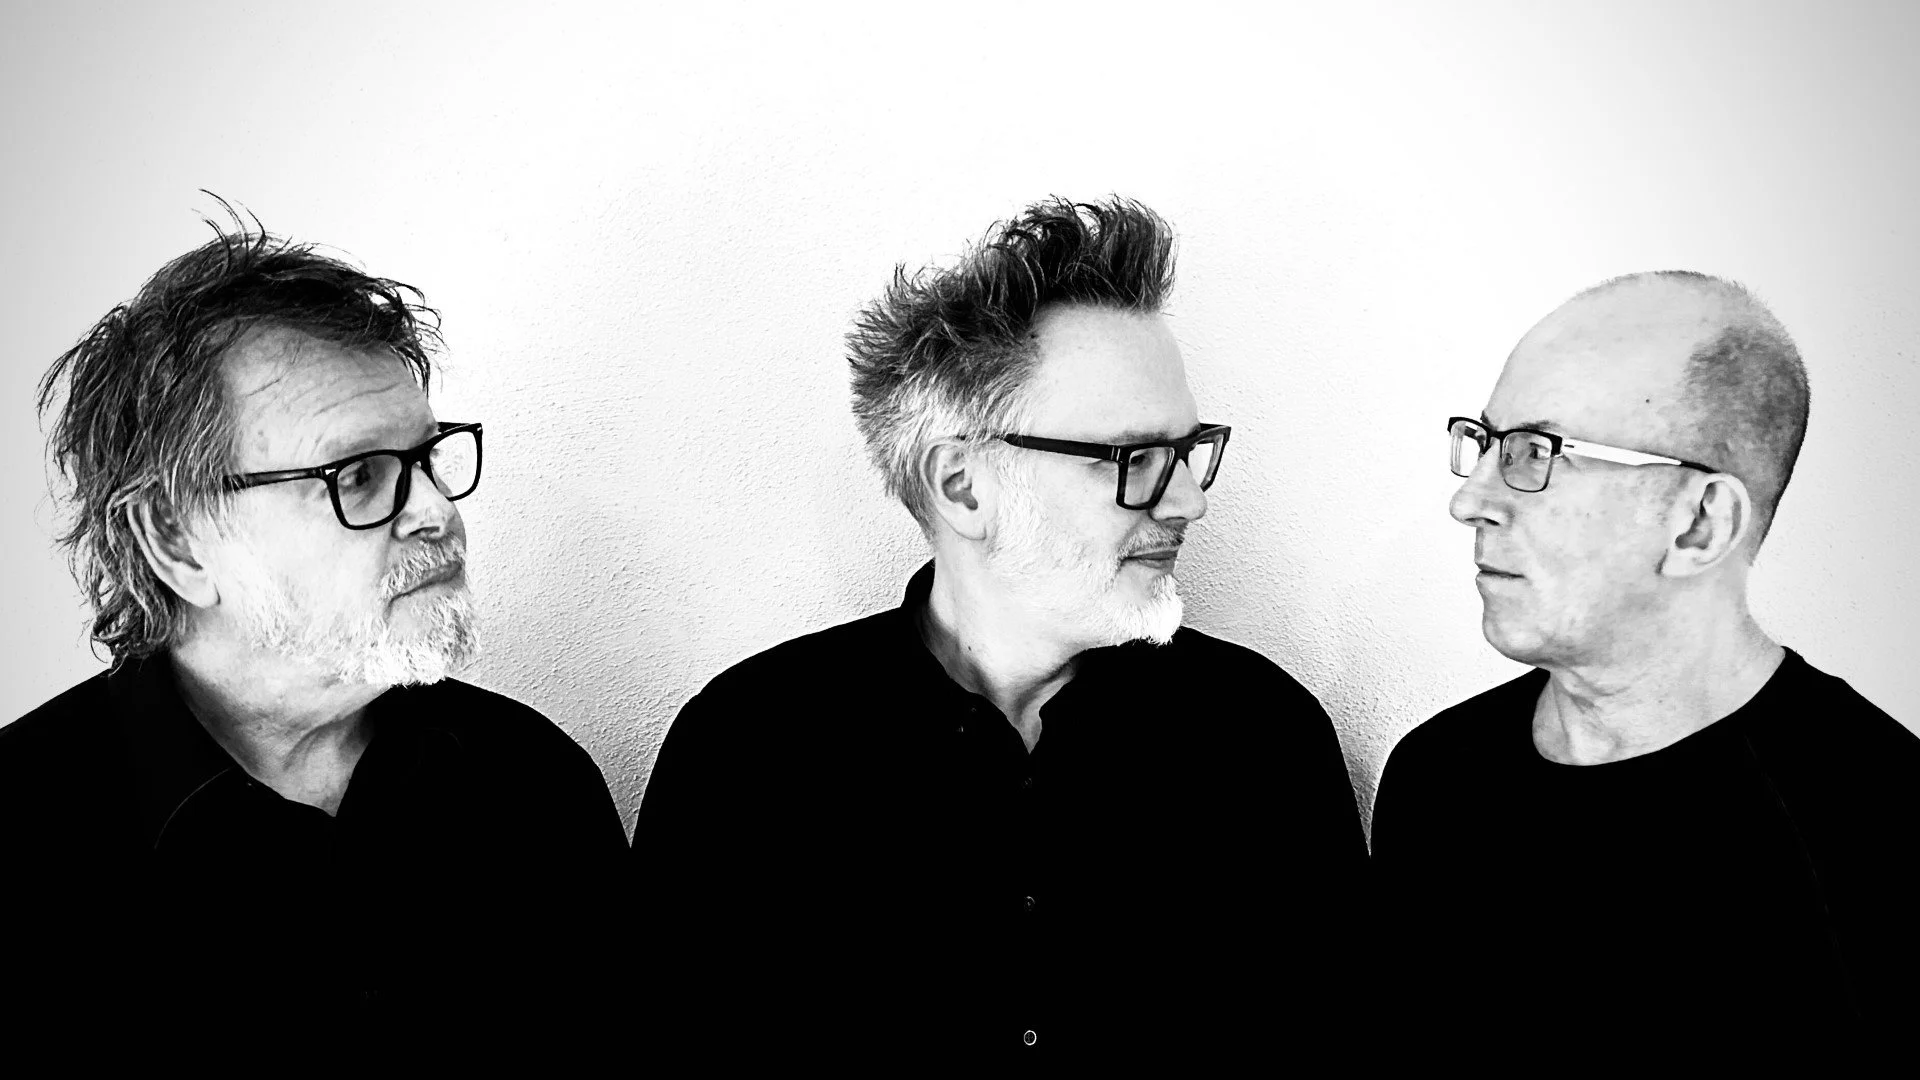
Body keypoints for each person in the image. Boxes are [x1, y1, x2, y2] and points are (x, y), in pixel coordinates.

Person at [633, 196, 1369, 1065]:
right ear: (963, 487)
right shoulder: (746, 752)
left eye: (1187, 450)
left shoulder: (1264, 739)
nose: (1188, 502)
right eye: (1134, 459)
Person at [1, 217, 628, 1044]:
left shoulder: (530, 784)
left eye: (429, 458)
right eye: (358, 475)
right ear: (175, 540)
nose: (437, 512)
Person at [1372, 271, 1919, 1062]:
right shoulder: (1439, 776)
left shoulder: (1882, 833)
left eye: (1537, 452)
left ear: (1700, 524)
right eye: (1486, 443)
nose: (1471, 500)